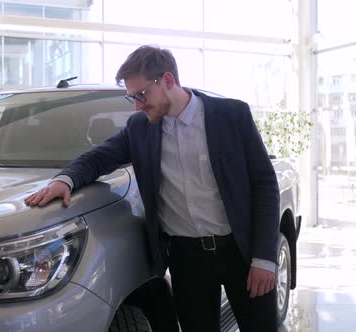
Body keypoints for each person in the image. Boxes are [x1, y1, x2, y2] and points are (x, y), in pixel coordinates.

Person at [25, 45, 280, 332]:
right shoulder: (140, 129)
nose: (137, 105)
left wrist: (264, 258)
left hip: (242, 251)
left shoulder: (232, 115)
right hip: (187, 260)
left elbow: (265, 185)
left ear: (167, 81)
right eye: (131, 97)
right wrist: (64, 180)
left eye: (141, 95)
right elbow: (98, 157)